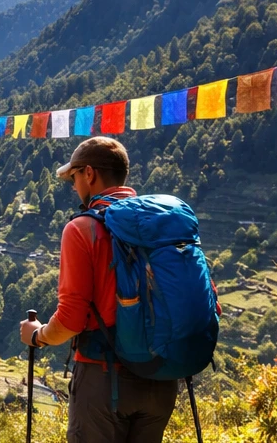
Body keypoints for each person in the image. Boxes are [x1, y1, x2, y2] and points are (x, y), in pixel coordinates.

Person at [18, 137, 179, 443]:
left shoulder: (82, 229)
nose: (74, 186)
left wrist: (37, 336)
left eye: (75, 177)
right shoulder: (162, 222)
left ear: (89, 174)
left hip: (104, 380)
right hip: (163, 376)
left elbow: (71, 319)